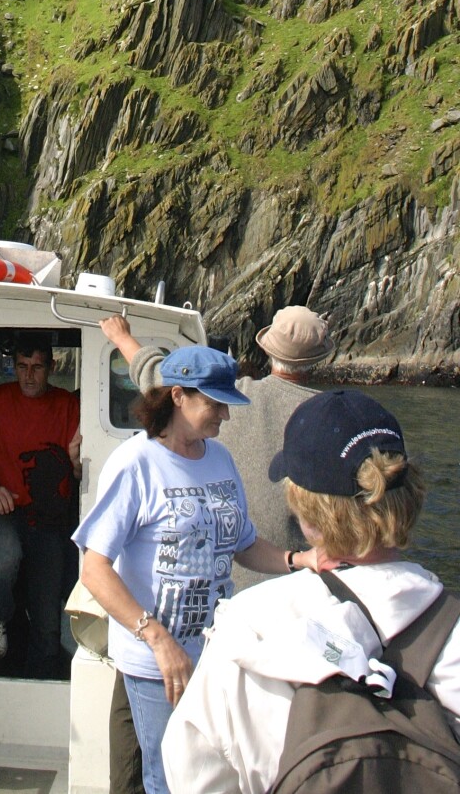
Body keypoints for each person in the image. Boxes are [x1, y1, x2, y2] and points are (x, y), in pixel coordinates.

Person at [163, 388, 460, 793]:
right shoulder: (452, 626)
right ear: (408, 496)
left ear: (305, 512)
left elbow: (194, 777)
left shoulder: (248, 629)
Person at [75, 318, 321, 794]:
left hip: (213, 654)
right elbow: (94, 567)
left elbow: (244, 543)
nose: (225, 418)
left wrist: (299, 560)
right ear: (177, 396)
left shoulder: (219, 458)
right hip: (157, 664)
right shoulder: (135, 464)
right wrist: (157, 639)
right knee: (168, 779)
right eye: (215, 404)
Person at [0, 331, 81, 677]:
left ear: (52, 367)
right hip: (5, 509)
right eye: (22, 366)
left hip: (51, 519)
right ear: (13, 367)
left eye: (37, 367)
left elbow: (80, 468)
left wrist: (76, 463)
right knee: (4, 559)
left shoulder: (68, 405)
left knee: (48, 625)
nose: (29, 375)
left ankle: (42, 693)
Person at [219, 304, 335, 592]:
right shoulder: (329, 416)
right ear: (317, 359)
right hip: (294, 584)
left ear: (268, 351)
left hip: (226, 577)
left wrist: (124, 340)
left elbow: (160, 380)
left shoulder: (232, 396)